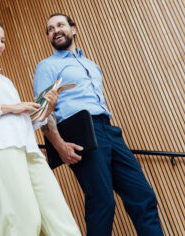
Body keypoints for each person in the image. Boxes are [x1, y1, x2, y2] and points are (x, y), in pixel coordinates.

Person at [33, 13, 164, 236]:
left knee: (143, 196)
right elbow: (42, 113)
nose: (55, 30)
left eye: (60, 25)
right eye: (50, 29)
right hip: (82, 134)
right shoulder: (46, 66)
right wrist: (60, 145)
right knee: (102, 202)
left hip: (110, 131)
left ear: (73, 29)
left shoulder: (92, 65)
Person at [0, 19, 81, 236]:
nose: (0, 44)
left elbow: (24, 120)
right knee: (22, 221)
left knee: (60, 219)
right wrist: (11, 107)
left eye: (2, 40)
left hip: (29, 149)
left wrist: (46, 108)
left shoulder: (5, 81)